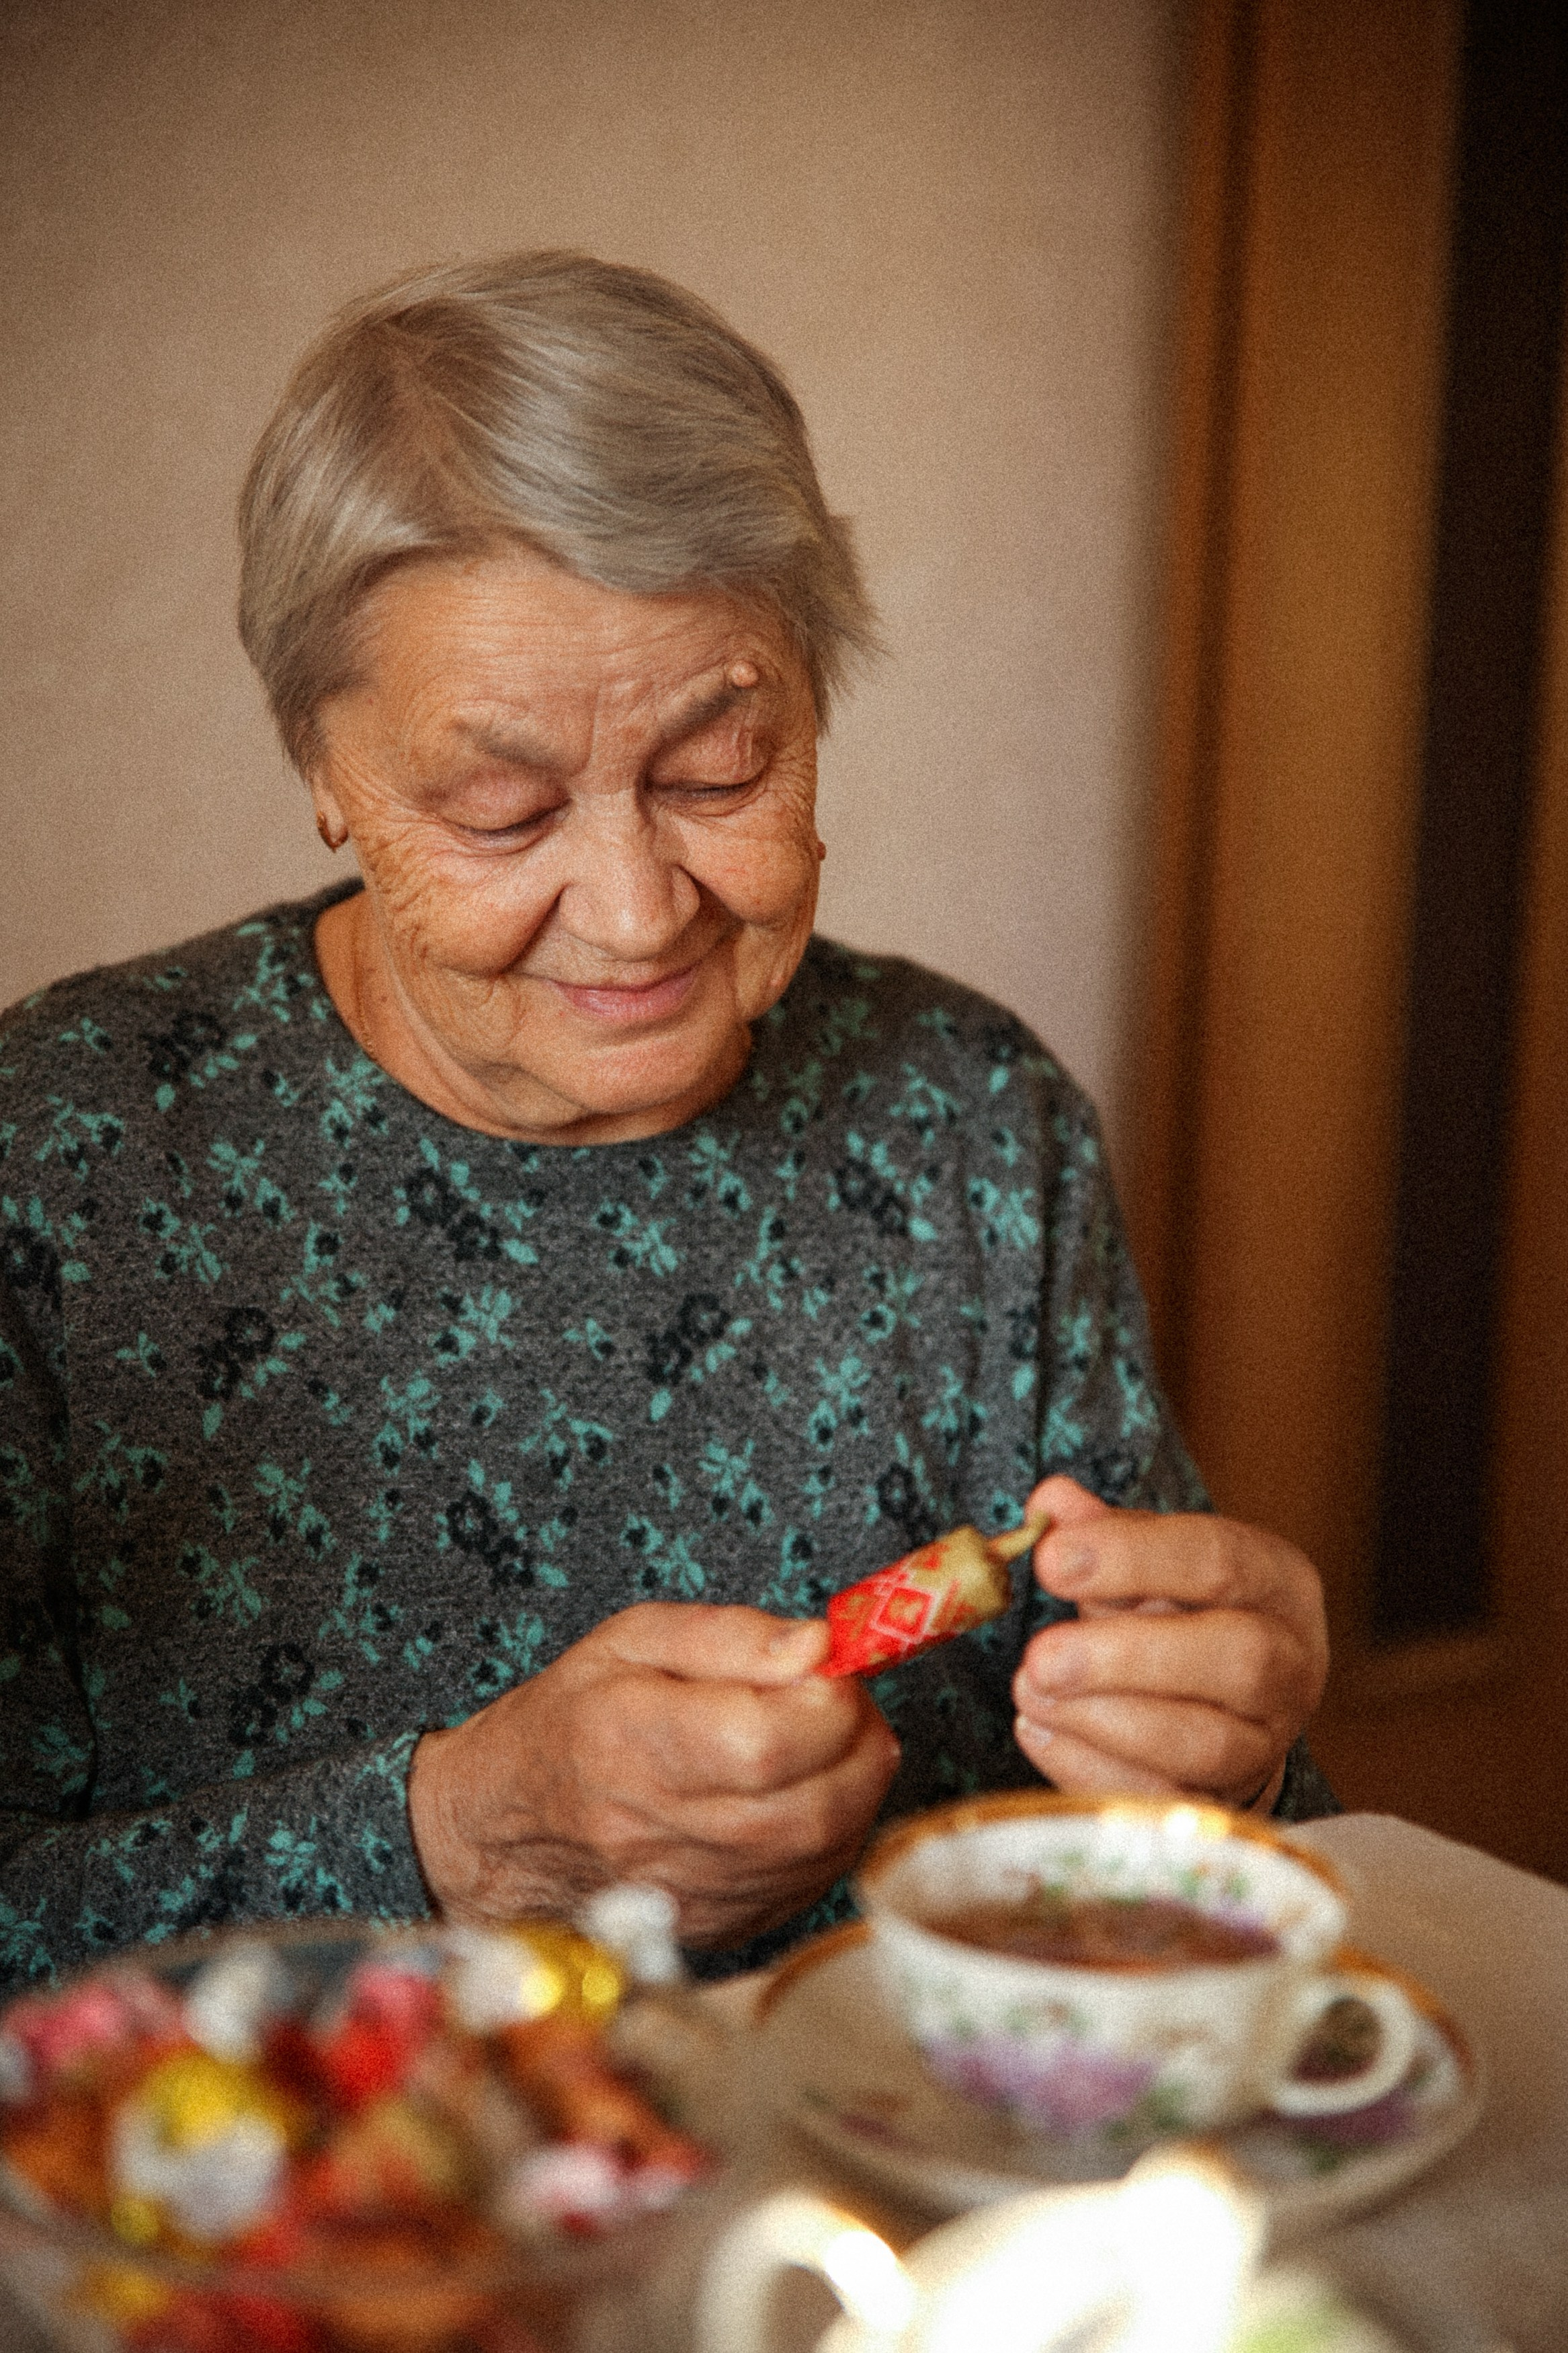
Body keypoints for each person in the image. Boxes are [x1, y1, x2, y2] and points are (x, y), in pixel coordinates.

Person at [0, 252, 1333, 1994]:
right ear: (319, 767)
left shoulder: (969, 1121)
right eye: (502, 805)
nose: (637, 911)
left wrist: (1232, 1759)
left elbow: (1171, 1884)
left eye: (718, 770)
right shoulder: (64, 1164)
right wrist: (456, 1838)